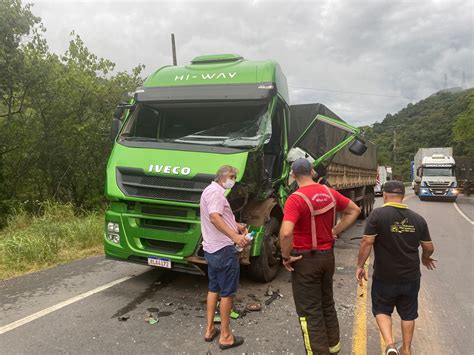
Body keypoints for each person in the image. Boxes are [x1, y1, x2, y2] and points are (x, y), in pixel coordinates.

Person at [280, 158, 361, 355]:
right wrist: (335, 230)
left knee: (309, 312)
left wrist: (285, 256)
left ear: (292, 175)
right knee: (327, 304)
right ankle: (334, 348)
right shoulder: (329, 193)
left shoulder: (296, 199)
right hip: (327, 258)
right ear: (313, 171)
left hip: (305, 260)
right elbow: (354, 210)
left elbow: (285, 233)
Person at [356, 180, 436, 355]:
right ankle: (406, 350)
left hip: (385, 276)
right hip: (410, 276)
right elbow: (429, 247)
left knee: (382, 309)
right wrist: (425, 258)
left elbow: (366, 242)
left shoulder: (377, 215)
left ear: (385, 195)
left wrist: (360, 266)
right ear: (401, 196)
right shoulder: (418, 219)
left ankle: (390, 345)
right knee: (408, 313)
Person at [200, 165, 249, 350]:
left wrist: (236, 225)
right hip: (223, 250)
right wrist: (235, 236)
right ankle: (226, 336)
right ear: (222, 177)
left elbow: (220, 216)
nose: (233, 180)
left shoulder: (210, 190)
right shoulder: (217, 193)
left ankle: (210, 329)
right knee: (227, 293)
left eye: (234, 177)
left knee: (214, 288)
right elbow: (214, 217)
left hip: (212, 249)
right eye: (231, 176)